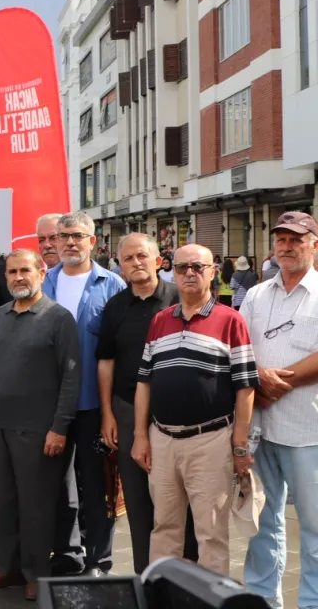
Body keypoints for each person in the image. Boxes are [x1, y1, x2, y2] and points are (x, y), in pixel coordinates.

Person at [132, 243, 257, 575]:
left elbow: (246, 387)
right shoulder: (160, 321)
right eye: (182, 267)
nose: (189, 273)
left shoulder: (231, 321)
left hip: (210, 441)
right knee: (164, 529)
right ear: (172, 272)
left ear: (212, 272)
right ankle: (164, 594)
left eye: (198, 267)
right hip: (162, 439)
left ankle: (210, 597)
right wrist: (140, 436)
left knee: (211, 534)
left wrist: (239, 444)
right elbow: (144, 382)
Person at [0, 250, 79, 601]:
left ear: (41, 273)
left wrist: (60, 427)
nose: (18, 277)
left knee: (36, 506)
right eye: (12, 272)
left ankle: (37, 573)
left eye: (25, 270)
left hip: (39, 430)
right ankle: (4, 568)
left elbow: (71, 377)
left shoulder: (59, 318)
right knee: (0, 502)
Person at [97, 234, 198, 572]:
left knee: (182, 497)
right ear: (121, 267)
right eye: (128, 258)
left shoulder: (179, 298)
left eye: (142, 256)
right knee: (138, 499)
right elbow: (106, 361)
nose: (136, 263)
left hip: (178, 412)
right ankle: (146, 575)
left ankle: (187, 573)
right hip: (127, 410)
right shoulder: (115, 307)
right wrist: (107, 413)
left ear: (158, 261)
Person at [241, 212, 318, 607]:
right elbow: (238, 350)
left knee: (315, 528)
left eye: (296, 240)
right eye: (281, 239)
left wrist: (275, 384)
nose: (287, 247)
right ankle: (262, 600)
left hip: (307, 431)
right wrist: (257, 378)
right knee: (261, 523)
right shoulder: (256, 295)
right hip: (259, 428)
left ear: (314, 245)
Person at [42, 211, 125, 577]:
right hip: (49, 406)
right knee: (57, 486)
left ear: (92, 241)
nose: (69, 242)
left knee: (95, 486)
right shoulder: (43, 282)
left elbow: (120, 349)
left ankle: (98, 560)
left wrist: (112, 411)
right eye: (63, 236)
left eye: (77, 235)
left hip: (94, 404)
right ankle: (66, 553)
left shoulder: (112, 285)